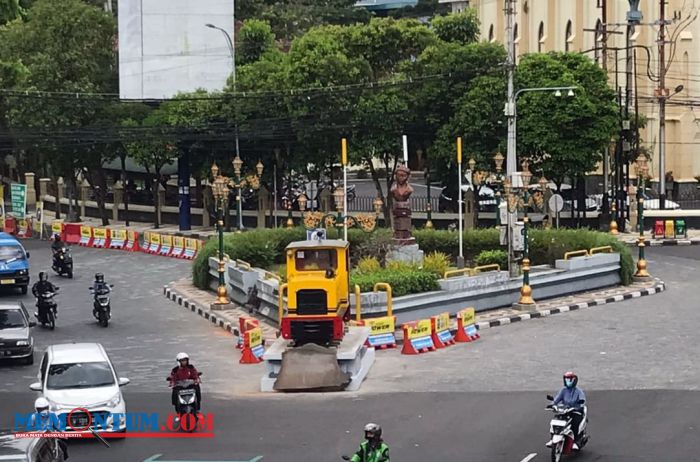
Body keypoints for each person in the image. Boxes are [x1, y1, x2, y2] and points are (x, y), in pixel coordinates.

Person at [549, 371, 586, 450]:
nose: (568, 381)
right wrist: (552, 404)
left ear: (574, 380)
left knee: (574, 423)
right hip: (565, 411)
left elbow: (582, 401)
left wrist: (579, 405)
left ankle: (576, 441)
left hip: (576, 411)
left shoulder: (579, 391)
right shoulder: (563, 390)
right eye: (566, 380)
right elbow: (556, 400)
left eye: (569, 380)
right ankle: (552, 438)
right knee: (555, 421)